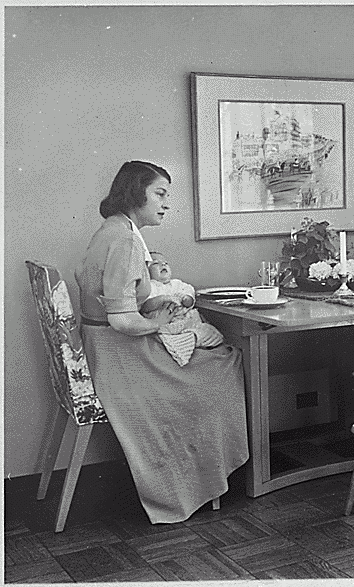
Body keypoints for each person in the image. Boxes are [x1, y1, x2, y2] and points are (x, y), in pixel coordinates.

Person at [75, 160, 249, 524]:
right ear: (136, 192)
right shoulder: (125, 239)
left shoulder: (113, 229)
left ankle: (206, 473)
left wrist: (154, 308)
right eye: (160, 193)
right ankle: (200, 481)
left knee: (210, 352)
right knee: (225, 361)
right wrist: (159, 326)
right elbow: (122, 319)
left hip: (102, 346)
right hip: (118, 354)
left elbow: (117, 298)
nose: (166, 203)